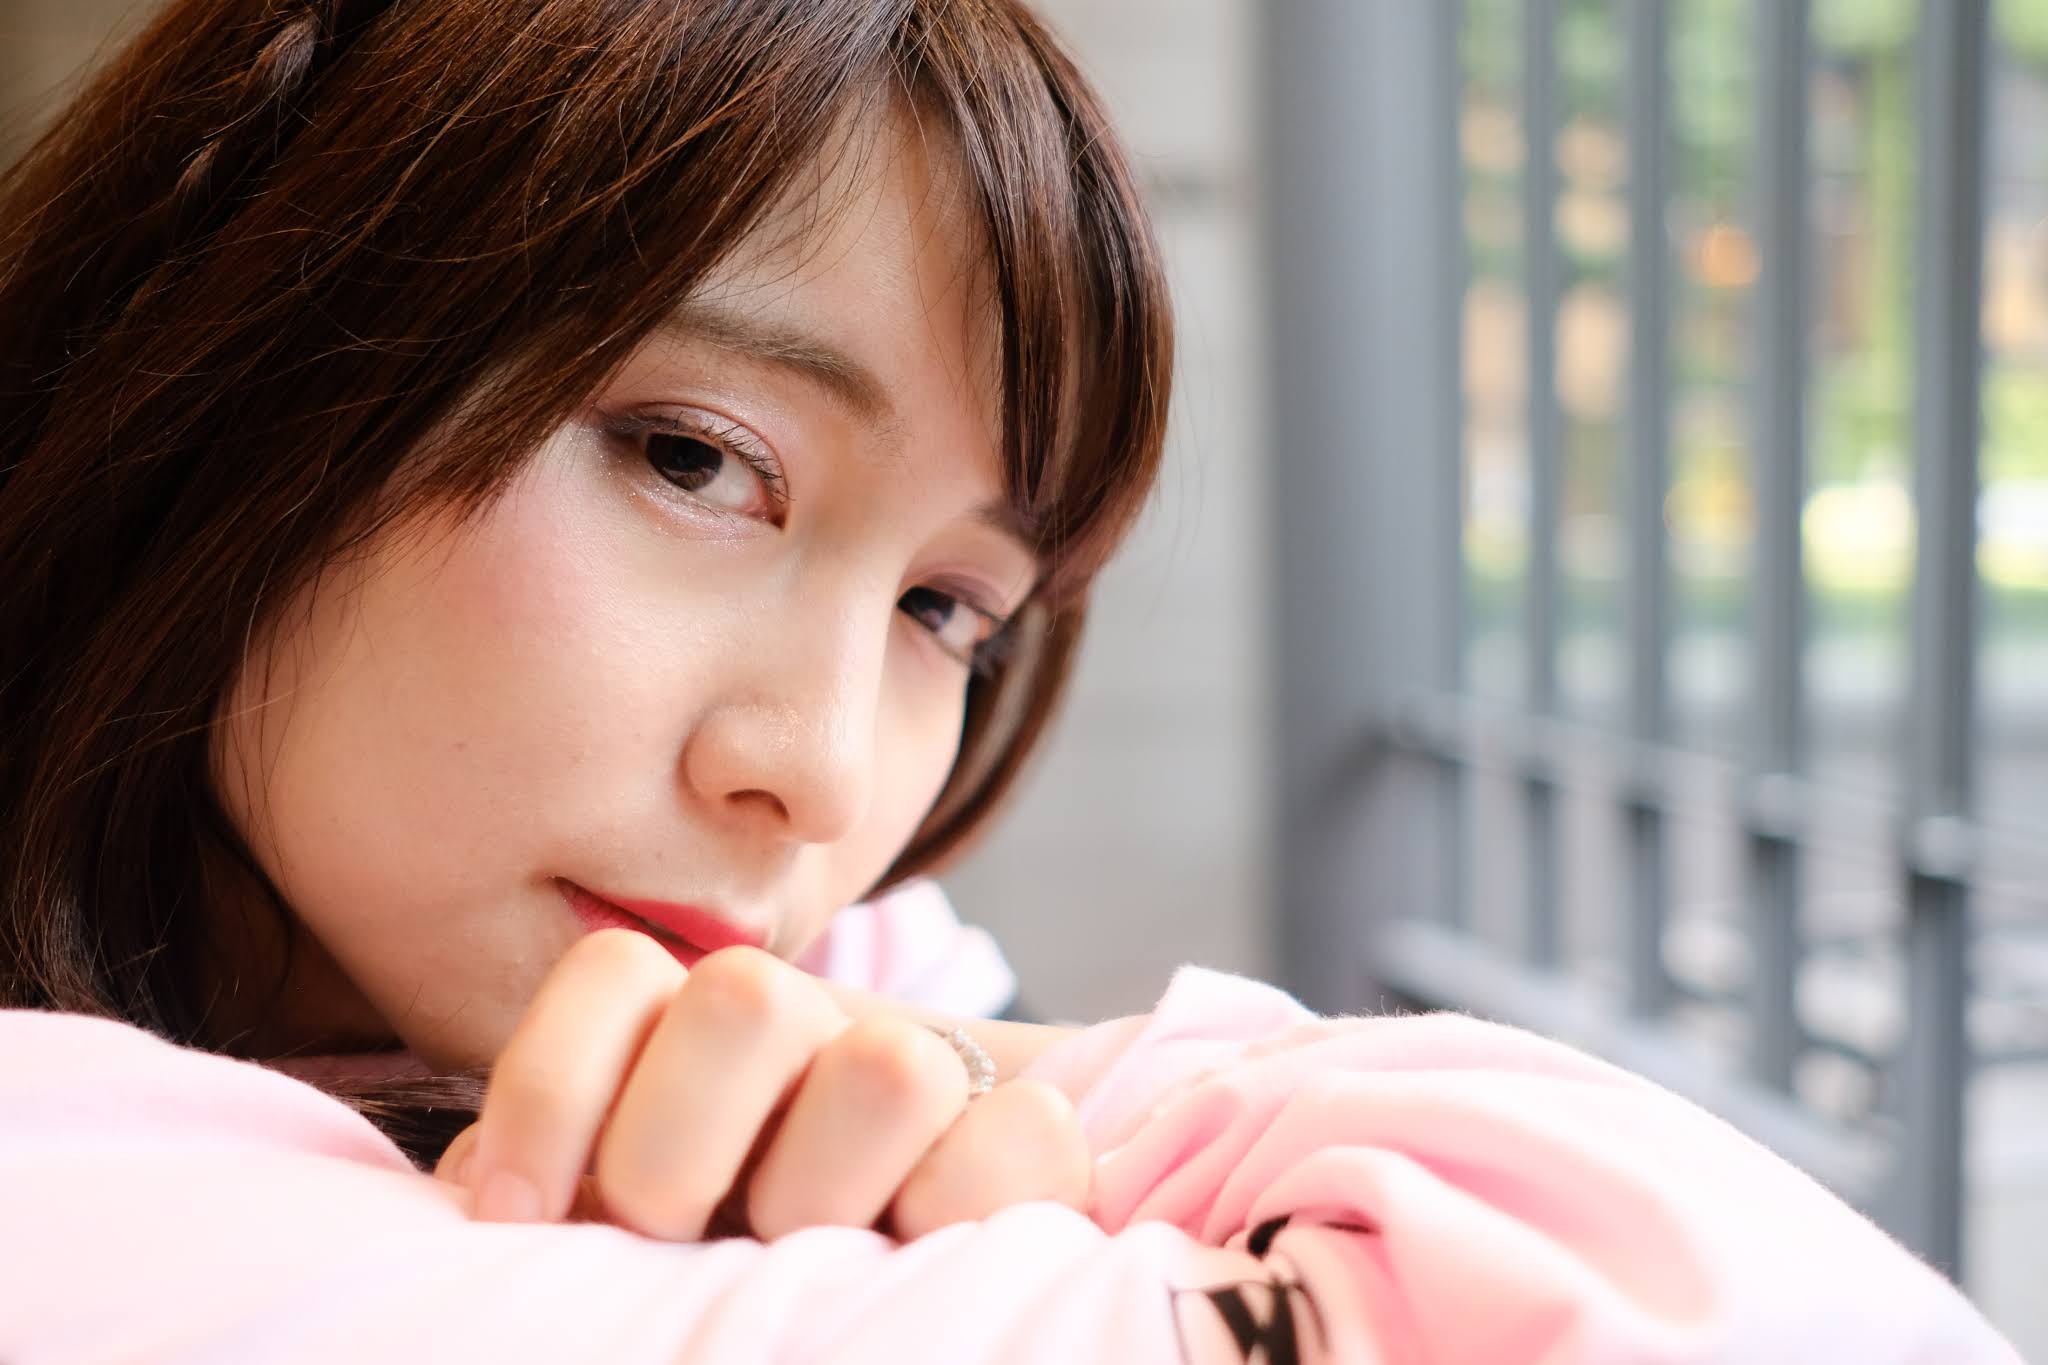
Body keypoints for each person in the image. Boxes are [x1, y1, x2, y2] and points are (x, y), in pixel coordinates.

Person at [0, 0, 2022, 1360]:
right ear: (233, 346)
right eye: (694, 459)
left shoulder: (841, 977)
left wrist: (978, 1081)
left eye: (946, 607)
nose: (819, 773)